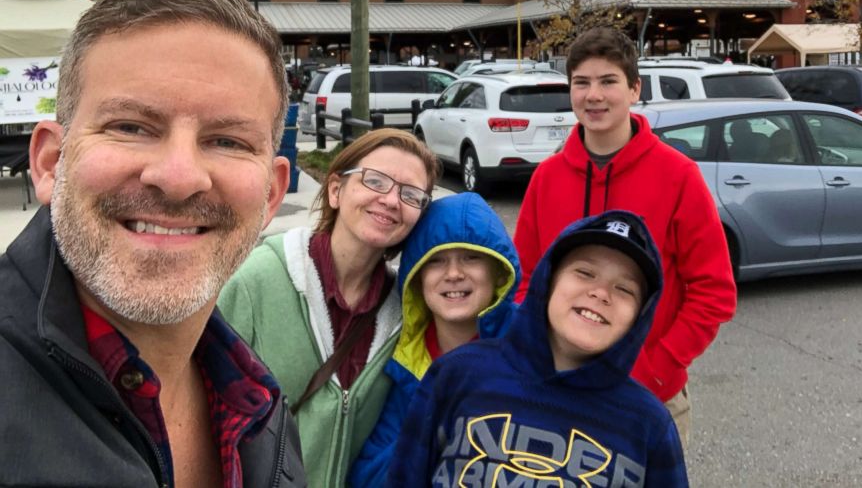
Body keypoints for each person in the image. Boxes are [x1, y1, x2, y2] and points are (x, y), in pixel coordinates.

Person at [0, 0, 305, 487]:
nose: (180, 177)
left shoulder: (260, 409)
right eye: (131, 127)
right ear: (51, 162)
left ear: (271, 195)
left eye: (226, 140)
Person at [513, 26, 737, 448]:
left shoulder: (678, 176)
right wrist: (536, 354)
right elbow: (526, 279)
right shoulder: (548, 178)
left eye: (608, 81)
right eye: (581, 83)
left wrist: (657, 368)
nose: (593, 95)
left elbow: (714, 292)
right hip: (556, 386)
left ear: (634, 89)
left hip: (645, 393)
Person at [388, 209, 688, 487]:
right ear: (549, 281)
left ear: (640, 316)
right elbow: (405, 477)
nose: (600, 293)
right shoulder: (455, 375)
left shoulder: (650, 425)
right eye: (584, 273)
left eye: (625, 289)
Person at [218, 127, 440, 488]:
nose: (391, 200)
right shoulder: (256, 280)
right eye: (376, 181)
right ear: (336, 190)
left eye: (412, 194)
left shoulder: (407, 310)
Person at [348, 191, 520, 488]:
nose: (454, 274)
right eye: (436, 261)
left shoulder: (535, 346)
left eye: (471, 257)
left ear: (499, 273)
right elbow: (368, 475)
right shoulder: (404, 360)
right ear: (416, 278)